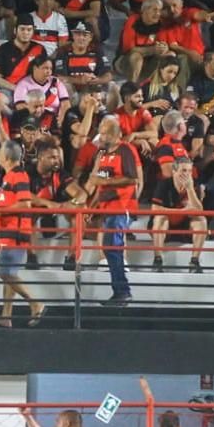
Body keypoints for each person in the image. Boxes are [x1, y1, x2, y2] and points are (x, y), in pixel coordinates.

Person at [0, 139, 44, 327]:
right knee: (9, 274)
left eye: (0, 151)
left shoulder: (18, 175)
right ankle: (6, 317)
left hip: (16, 231)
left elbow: (25, 203)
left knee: (5, 273)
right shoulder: (9, 177)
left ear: (5, 156)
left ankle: (35, 303)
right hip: (8, 231)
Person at [85, 115, 137, 306]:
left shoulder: (126, 150)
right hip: (107, 208)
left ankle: (122, 291)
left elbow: (132, 179)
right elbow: (98, 185)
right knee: (110, 248)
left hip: (121, 208)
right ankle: (120, 292)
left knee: (111, 247)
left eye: (104, 132)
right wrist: (92, 207)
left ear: (114, 134)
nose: (101, 135)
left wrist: (105, 182)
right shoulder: (103, 154)